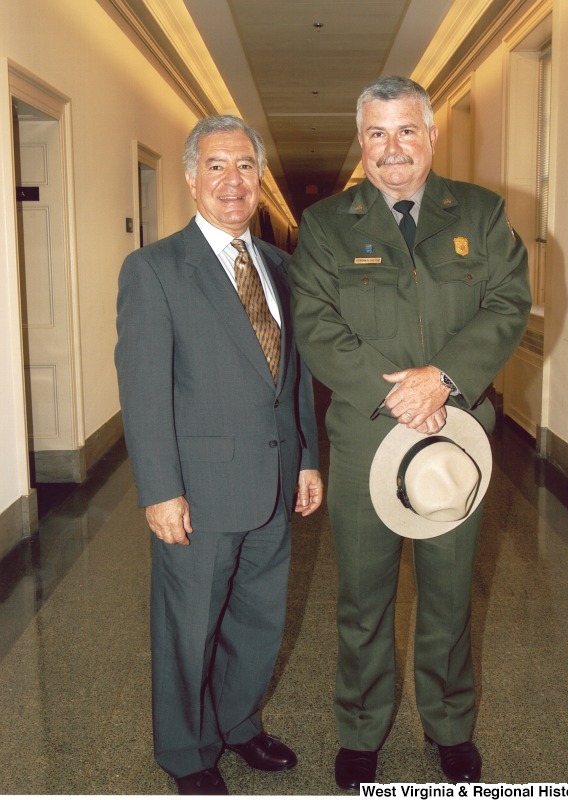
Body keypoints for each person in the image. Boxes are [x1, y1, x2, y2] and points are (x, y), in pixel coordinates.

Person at [288, 75, 531, 787]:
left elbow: (508, 302)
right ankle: (361, 729)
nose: (392, 148)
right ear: (360, 142)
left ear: (431, 136)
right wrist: (397, 396)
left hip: (458, 438)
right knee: (362, 600)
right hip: (368, 440)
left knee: (450, 595)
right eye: (376, 133)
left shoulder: (482, 215)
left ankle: (450, 725)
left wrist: (443, 380)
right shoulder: (328, 225)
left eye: (405, 131)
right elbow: (315, 324)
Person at [115, 115, 323, 796]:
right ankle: (185, 751)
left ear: (259, 180)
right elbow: (144, 391)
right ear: (190, 177)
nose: (232, 181)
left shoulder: (281, 267)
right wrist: (158, 489)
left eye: (244, 167)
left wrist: (307, 458)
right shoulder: (154, 269)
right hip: (196, 490)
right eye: (216, 166)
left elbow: (291, 376)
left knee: (258, 618)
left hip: (272, 479)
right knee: (189, 627)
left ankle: (239, 725)